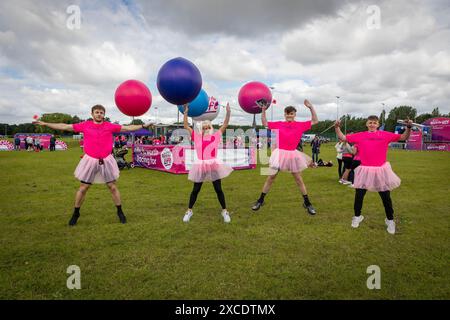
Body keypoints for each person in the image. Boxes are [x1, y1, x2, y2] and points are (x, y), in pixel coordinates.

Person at [34, 104, 154, 226]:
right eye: (97, 112)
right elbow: (64, 126)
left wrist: (143, 125)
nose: (99, 114)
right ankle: (76, 213)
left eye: (101, 112)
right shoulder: (85, 125)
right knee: (83, 188)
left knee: (112, 187)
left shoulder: (109, 126)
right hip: (90, 160)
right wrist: (45, 124)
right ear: (92, 114)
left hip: (106, 160)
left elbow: (128, 128)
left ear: (104, 114)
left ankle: (120, 211)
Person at [335, 115, 412, 234]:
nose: (372, 124)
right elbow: (343, 137)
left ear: (378, 124)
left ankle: (390, 220)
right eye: (370, 122)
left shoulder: (385, 135)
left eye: (374, 123)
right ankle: (357, 217)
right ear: (367, 124)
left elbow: (403, 137)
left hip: (380, 170)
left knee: (386, 197)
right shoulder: (360, 135)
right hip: (365, 170)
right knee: (359, 195)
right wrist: (337, 127)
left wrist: (408, 127)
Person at [251, 99, 319, 215]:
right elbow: (265, 123)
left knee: (298, 180)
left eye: (291, 113)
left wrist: (310, 107)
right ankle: (260, 200)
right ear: (285, 114)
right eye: (287, 113)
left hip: (292, 155)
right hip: (279, 155)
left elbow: (315, 121)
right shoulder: (279, 124)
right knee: (270, 178)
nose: (289, 115)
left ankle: (307, 203)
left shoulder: (300, 125)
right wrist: (263, 110)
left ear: (294, 115)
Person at [182, 103, 233, 223]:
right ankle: (189, 211)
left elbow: (225, 124)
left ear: (211, 128)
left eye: (208, 127)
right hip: (200, 165)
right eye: (204, 128)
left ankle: (224, 211)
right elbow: (185, 126)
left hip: (213, 165)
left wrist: (228, 113)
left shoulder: (215, 136)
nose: (206, 129)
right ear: (201, 129)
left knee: (218, 189)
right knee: (195, 190)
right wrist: (185, 113)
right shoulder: (197, 137)